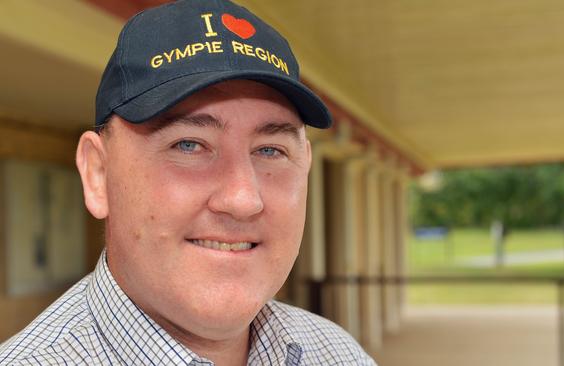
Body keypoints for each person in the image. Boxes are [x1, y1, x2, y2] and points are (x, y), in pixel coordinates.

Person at [0, 0, 376, 365]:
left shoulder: (336, 352)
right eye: (189, 145)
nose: (243, 199)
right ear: (98, 174)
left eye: (269, 151)